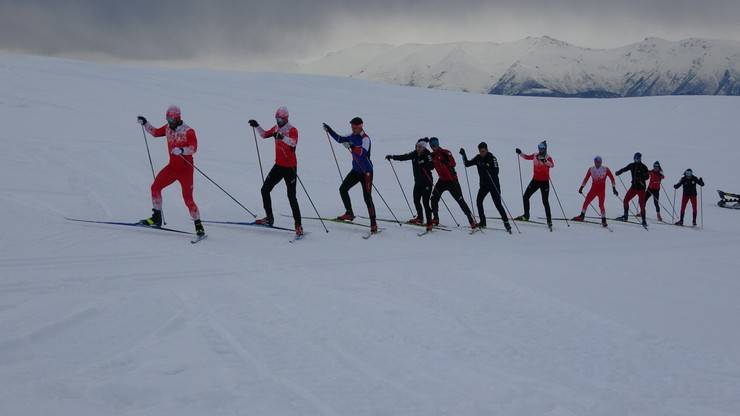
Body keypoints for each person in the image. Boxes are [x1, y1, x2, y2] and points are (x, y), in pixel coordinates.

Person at [137, 105, 205, 238]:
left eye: (172, 120)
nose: (169, 123)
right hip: (172, 168)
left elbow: (193, 148)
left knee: (188, 199)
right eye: (168, 119)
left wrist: (182, 150)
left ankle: (199, 226)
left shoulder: (188, 131)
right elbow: (156, 133)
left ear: (178, 118)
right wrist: (145, 123)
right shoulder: (168, 128)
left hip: (186, 170)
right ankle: (156, 218)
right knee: (155, 187)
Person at [248, 106, 303, 236]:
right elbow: (264, 135)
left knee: (291, 196)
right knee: (265, 190)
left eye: (280, 119)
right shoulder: (276, 128)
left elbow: (293, 143)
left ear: (286, 118)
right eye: (277, 119)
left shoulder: (292, 130)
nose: (278, 121)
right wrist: (257, 126)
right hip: (278, 166)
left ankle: (298, 225)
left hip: (290, 167)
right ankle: (269, 218)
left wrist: (282, 137)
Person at [323, 117, 378, 234]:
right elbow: (339, 139)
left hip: (366, 172)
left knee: (367, 198)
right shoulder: (351, 135)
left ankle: (373, 223)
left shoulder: (366, 139)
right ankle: (349, 213)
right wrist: (330, 130)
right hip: (356, 170)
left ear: (360, 126)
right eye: (352, 127)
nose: (353, 129)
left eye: (355, 127)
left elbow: (362, 153)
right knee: (343, 189)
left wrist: (351, 146)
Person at [427, 137, 478, 230]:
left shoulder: (445, 152)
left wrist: (445, 162)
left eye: (435, 144)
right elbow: (431, 167)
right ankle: (436, 218)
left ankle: (471, 220)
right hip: (442, 180)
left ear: (438, 144)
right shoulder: (431, 156)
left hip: (452, 180)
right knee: (434, 198)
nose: (434, 147)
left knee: (460, 200)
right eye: (432, 145)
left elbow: (453, 163)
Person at [460, 142, 512, 233]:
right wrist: (464, 155)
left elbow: (496, 171)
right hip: (484, 185)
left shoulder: (492, 158)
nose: (482, 153)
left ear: (487, 149)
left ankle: (506, 222)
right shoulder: (478, 158)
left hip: (493, 184)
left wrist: (487, 167)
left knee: (498, 204)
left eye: (483, 151)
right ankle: (483, 222)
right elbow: (467, 164)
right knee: (479, 201)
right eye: (480, 151)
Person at [385, 138, 435, 228]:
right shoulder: (414, 153)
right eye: (417, 146)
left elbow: (432, 166)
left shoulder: (427, 154)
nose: (418, 149)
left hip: (427, 182)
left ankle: (429, 222)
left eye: (420, 147)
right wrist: (392, 157)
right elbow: (404, 157)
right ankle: (420, 218)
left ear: (424, 148)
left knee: (425, 202)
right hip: (418, 182)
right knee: (416, 200)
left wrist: (423, 163)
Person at [515, 140, 554, 228]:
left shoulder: (548, 157)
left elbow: (552, 165)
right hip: (535, 181)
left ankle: (549, 221)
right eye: (539, 148)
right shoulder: (535, 155)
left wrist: (544, 161)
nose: (540, 150)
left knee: (545, 201)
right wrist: (520, 153)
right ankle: (526, 216)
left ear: (545, 149)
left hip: (544, 182)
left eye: (542, 149)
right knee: (525, 196)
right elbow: (527, 157)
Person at [573, 156, 618, 227]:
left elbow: (612, 178)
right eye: (596, 162)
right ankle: (582, 216)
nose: (597, 164)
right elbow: (586, 178)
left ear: (601, 162)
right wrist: (581, 187)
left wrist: (614, 188)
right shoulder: (591, 169)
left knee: (601, 205)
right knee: (586, 201)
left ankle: (604, 219)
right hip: (593, 190)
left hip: (601, 191)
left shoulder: (605, 169)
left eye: (598, 162)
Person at [615, 152, 649, 226]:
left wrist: (641, 177)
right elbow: (625, 169)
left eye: (638, 159)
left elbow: (647, 177)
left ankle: (644, 220)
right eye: (635, 158)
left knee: (642, 205)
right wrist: (619, 172)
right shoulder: (632, 165)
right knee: (625, 200)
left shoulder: (644, 167)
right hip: (633, 187)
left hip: (641, 189)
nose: (637, 160)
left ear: (640, 159)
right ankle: (625, 216)